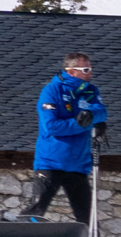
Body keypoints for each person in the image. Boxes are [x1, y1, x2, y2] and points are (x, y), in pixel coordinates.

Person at [24, 52, 108, 225]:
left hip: (78, 163)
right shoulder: (51, 91)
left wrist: (91, 115)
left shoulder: (90, 90)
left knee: (88, 217)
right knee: (37, 209)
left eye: (90, 69)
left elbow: (102, 112)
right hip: (52, 162)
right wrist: (83, 123)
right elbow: (52, 126)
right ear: (71, 71)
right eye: (85, 69)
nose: (90, 73)